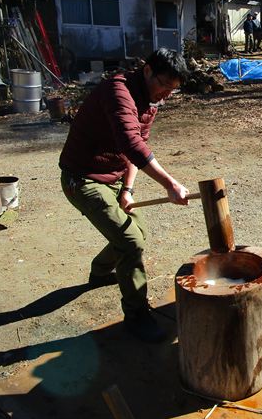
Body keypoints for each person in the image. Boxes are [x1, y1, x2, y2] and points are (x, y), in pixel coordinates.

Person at [59, 48, 192, 344]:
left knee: (137, 232)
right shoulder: (117, 91)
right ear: (147, 70)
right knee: (130, 240)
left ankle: (100, 271)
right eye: (164, 85)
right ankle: (136, 316)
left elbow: (135, 148)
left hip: (115, 179)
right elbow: (131, 143)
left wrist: (128, 190)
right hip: (81, 179)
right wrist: (169, 184)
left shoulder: (151, 101)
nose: (167, 94)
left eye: (173, 89)